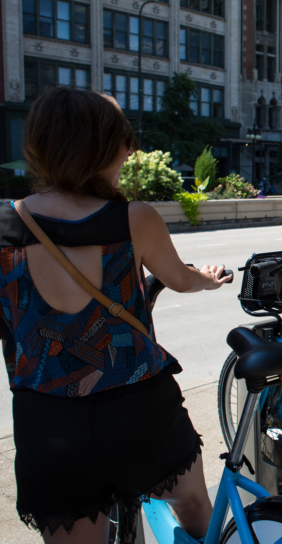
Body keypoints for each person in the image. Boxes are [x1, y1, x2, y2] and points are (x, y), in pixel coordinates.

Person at [1, 87, 237, 543]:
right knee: (192, 504)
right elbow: (182, 279)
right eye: (124, 141)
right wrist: (208, 278)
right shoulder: (134, 218)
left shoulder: (6, 226)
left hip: (47, 420)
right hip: (138, 407)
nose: (129, 153)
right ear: (102, 147)